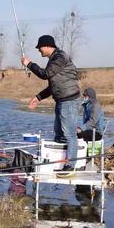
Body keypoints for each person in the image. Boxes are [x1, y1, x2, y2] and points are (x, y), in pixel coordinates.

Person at [21, 34, 81, 170]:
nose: (38, 50)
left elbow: (45, 74)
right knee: (59, 134)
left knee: (69, 134)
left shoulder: (60, 57)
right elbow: (54, 86)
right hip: (61, 100)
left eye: (39, 47)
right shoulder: (53, 59)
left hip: (69, 100)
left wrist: (29, 64)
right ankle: (58, 160)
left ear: (47, 46)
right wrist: (38, 97)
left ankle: (71, 164)